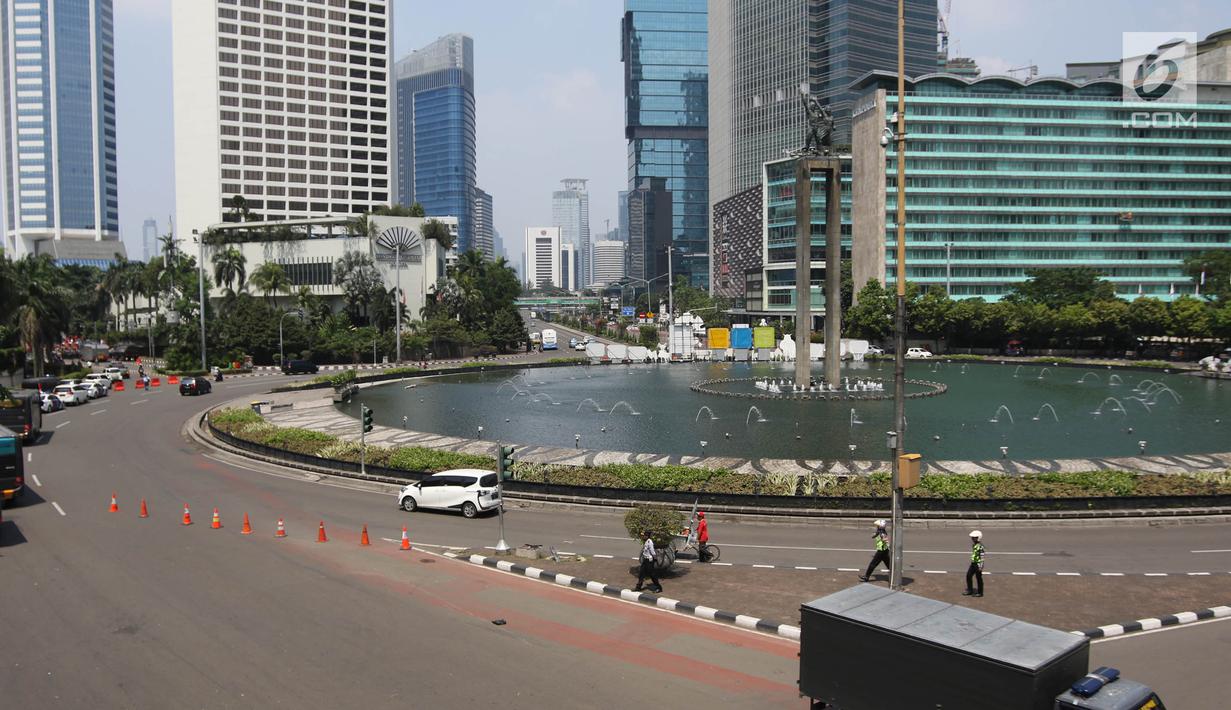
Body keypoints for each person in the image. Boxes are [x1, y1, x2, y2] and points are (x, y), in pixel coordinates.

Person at [964, 530, 985, 597]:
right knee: (968, 576)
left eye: (974, 537)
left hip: (978, 564)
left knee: (978, 578)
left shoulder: (980, 546)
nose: (972, 538)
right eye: (972, 537)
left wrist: (981, 566)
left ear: (978, 538)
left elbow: (982, 556)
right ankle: (970, 590)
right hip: (973, 563)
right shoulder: (974, 545)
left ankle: (980, 592)